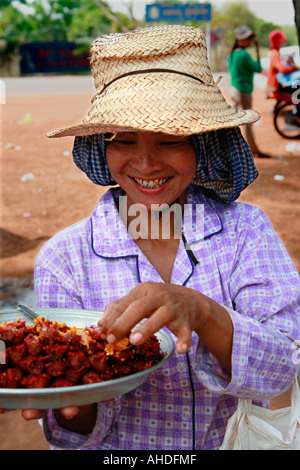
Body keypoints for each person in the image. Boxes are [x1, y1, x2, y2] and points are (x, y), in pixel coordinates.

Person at [6, 25, 300, 450]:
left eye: (169, 139)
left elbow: (283, 368)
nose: (145, 162)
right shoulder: (65, 258)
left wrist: (202, 312)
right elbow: (73, 432)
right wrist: (69, 395)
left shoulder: (245, 233)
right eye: (122, 139)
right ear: (100, 146)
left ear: (203, 143)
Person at [228, 25, 270, 158]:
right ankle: (254, 149)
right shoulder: (244, 55)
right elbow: (257, 68)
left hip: (234, 90)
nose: (249, 41)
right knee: (247, 123)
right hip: (243, 91)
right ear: (241, 40)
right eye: (247, 38)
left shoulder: (232, 55)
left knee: (233, 122)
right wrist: (258, 50)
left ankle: (231, 151)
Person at [267, 29, 300, 123]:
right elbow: (283, 69)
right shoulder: (275, 54)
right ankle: (298, 116)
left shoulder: (277, 53)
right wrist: (295, 68)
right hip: (279, 86)